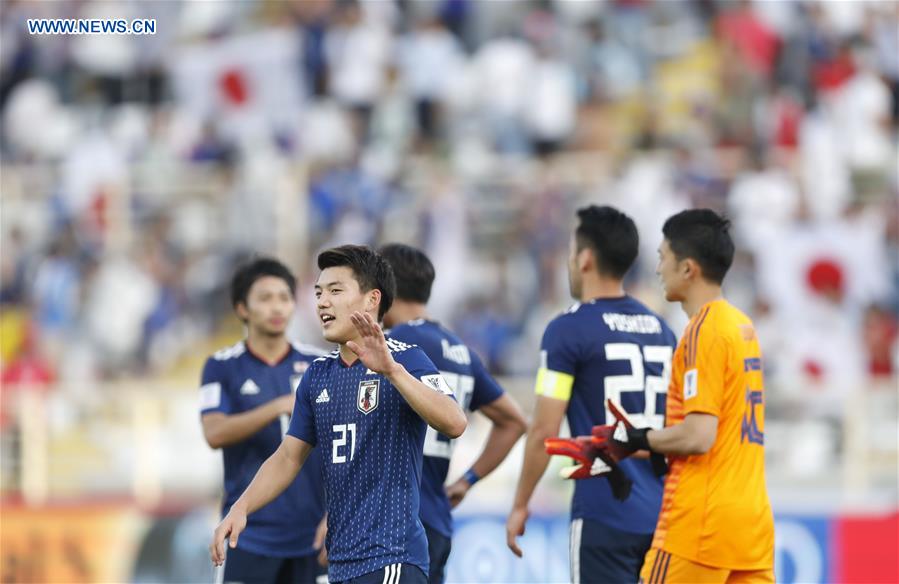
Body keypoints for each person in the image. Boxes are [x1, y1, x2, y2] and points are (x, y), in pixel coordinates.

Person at [210, 245, 467, 584]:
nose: (322, 302)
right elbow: (288, 456)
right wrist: (241, 508)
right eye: (318, 293)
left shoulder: (407, 358)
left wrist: (392, 372)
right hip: (342, 564)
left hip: (391, 559)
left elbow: (455, 421)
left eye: (335, 291)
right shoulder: (317, 376)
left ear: (371, 299)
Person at [506, 206, 677, 583]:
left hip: (604, 512)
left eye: (571, 251)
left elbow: (543, 431)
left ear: (584, 259)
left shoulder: (568, 329)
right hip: (664, 519)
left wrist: (520, 503)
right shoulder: (662, 329)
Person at [605, 209, 775, 583]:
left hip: (702, 523)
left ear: (688, 268)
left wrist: (637, 437)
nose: (657, 269)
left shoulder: (704, 330)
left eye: (663, 257)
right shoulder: (741, 326)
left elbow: (699, 436)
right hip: (750, 524)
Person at [380, 243, 527, 584]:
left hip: (394, 521)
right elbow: (514, 422)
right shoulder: (460, 349)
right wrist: (466, 481)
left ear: (383, 290)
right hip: (437, 519)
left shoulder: (390, 346)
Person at [200, 257, 328, 584]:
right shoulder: (221, 365)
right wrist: (278, 407)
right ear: (242, 308)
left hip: (312, 539)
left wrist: (334, 515)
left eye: (284, 298)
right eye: (265, 298)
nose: (277, 307)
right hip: (248, 535)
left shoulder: (319, 364)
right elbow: (214, 432)